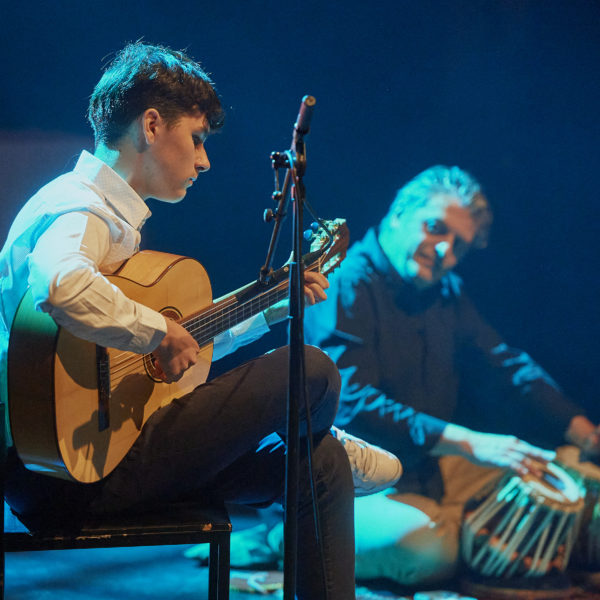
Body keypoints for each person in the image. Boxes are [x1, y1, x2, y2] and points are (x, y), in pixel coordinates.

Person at [0, 41, 394, 599]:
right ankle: (312, 420)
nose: (204, 161)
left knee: (321, 465)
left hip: (99, 455)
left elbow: (174, 346)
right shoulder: (80, 207)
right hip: (65, 474)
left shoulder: (104, 214)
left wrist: (266, 309)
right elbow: (61, 286)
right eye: (197, 138)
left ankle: (317, 434)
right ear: (152, 125)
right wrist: (158, 330)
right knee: (311, 371)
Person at [301, 165, 600, 586]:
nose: (445, 250)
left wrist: (587, 435)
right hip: (352, 483)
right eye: (436, 228)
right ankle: (286, 538)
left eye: (459, 244)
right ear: (399, 213)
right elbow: (351, 403)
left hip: (427, 471)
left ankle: (453, 524)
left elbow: (506, 365)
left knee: (564, 476)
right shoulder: (345, 281)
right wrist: (472, 443)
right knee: (430, 548)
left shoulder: (445, 291)